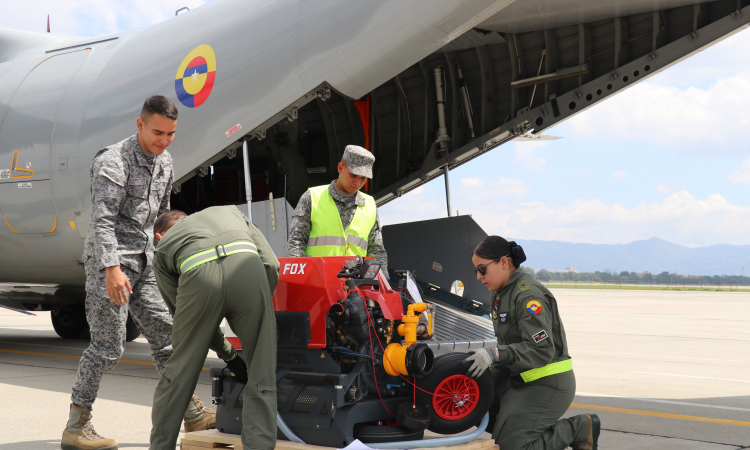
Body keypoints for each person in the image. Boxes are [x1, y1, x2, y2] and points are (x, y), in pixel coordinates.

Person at [63, 96, 220, 450]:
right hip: (113, 265)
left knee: (167, 337)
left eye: (170, 134)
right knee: (107, 348)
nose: (163, 140)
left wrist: (169, 255)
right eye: (157, 132)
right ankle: (76, 425)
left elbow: (161, 217)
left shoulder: (165, 162)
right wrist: (112, 268)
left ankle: (191, 414)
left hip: (147, 263)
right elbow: (102, 220)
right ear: (140, 124)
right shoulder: (112, 161)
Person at [149, 205, 279, 450]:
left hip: (198, 278)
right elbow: (271, 264)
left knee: (179, 373)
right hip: (248, 271)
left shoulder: (163, 248)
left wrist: (228, 355)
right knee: (262, 376)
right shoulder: (231, 212)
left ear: (159, 235)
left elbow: (186, 318)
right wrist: (258, 305)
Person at [463, 236, 600, 450]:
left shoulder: (527, 296)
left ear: (504, 263)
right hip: (518, 378)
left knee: (510, 447)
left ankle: (579, 429)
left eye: (482, 269)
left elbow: (541, 350)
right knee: (469, 403)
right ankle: (520, 427)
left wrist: (495, 353)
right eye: (476, 271)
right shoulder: (500, 293)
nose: (479, 277)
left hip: (545, 382)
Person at [287, 145, 388, 274]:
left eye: (363, 178)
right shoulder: (312, 197)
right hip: (316, 281)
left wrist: (382, 285)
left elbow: (376, 250)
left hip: (355, 286)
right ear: (340, 167)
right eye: (353, 175)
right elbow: (296, 241)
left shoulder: (370, 204)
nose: (357, 183)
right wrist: (298, 279)